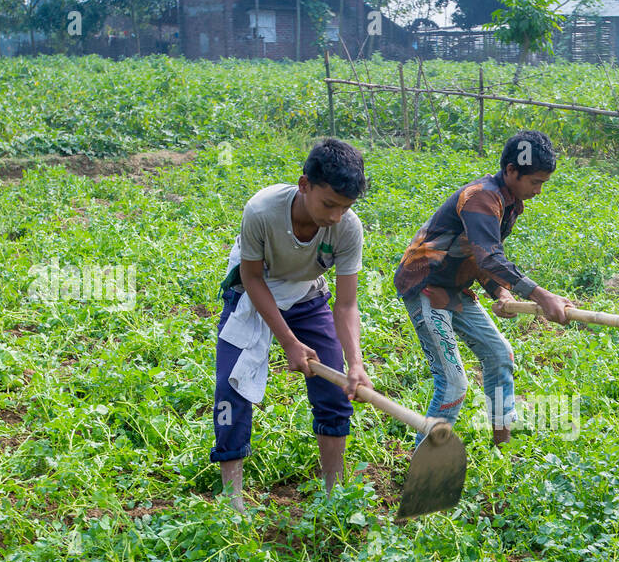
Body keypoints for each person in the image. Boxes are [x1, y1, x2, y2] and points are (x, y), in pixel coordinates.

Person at [211, 139, 372, 511]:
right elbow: (251, 278)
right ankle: (231, 501)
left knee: (333, 389)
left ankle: (334, 490)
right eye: (328, 204)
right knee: (229, 392)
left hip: (307, 294)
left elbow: (346, 304)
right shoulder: (262, 211)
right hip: (253, 292)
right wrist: (288, 341)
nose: (335, 216)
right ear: (304, 185)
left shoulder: (348, 228)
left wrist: (356, 364)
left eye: (345, 207)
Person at [394, 129, 572, 446]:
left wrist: (500, 292)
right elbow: (490, 256)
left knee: (500, 355)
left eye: (543, 183)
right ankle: (424, 468)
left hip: (455, 288)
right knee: (453, 384)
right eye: (535, 182)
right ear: (511, 171)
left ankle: (502, 448)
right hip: (425, 285)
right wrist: (540, 294)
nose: (539, 191)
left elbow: (479, 256)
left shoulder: (510, 203)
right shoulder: (480, 197)